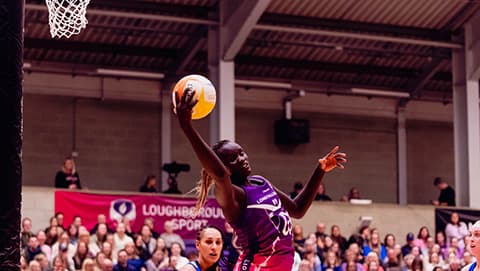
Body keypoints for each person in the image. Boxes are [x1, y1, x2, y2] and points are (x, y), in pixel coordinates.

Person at [174, 87, 347, 271]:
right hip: (257, 266)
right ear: (226, 168)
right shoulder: (232, 195)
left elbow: (297, 209)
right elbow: (220, 175)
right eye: (234, 158)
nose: (243, 159)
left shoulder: (260, 182)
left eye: (241, 153)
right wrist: (187, 127)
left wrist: (320, 170)